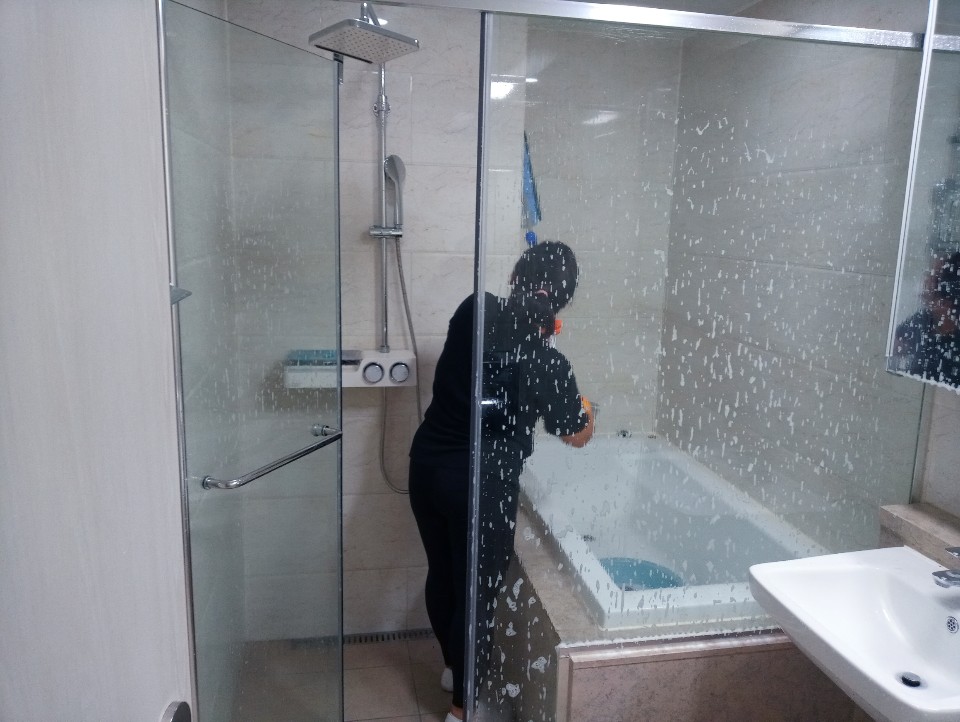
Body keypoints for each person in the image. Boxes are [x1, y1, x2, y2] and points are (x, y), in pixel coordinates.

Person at [408, 241, 594, 722]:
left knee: (443, 574)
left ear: (515, 276)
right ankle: (461, 711)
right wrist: (585, 406)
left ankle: (454, 669)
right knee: (477, 597)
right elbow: (576, 435)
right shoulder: (549, 363)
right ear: (563, 302)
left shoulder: (475, 310)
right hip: (480, 486)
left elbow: (490, 360)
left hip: (427, 467)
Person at [893, 250, 960, 387]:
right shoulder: (924, 318)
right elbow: (894, 347)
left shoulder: (954, 353)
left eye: (932, 276)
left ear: (945, 302)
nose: (924, 280)